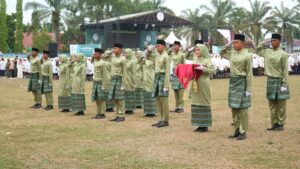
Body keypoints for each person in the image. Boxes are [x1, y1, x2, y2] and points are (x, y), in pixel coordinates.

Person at [220, 34, 253, 140]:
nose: (234, 44)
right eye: (233, 42)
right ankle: (237, 130)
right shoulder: (232, 53)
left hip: (242, 81)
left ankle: (243, 131)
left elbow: (249, 73)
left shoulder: (247, 55)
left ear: (243, 43)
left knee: (242, 109)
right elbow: (221, 52)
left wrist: (248, 89)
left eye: (236, 42)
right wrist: (228, 44)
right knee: (234, 107)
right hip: (233, 82)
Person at [255, 34, 290, 131]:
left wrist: (284, 84)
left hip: (279, 81)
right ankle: (274, 123)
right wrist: (263, 43)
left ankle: (281, 124)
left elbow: (285, 71)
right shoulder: (267, 52)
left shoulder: (283, 54)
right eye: (271, 40)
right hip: (270, 80)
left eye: (274, 40)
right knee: (272, 104)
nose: (272, 42)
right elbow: (257, 50)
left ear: (279, 42)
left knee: (281, 105)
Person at [190, 44, 215, 132]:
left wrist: (203, 68)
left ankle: (205, 125)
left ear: (203, 51)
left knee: (203, 103)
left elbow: (213, 70)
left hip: (203, 84)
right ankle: (199, 124)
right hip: (195, 83)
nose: (196, 51)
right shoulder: (195, 59)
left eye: (198, 50)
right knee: (196, 103)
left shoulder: (207, 60)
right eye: (196, 49)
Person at [148, 40, 170, 128]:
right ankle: (161, 119)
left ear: (164, 46)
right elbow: (148, 57)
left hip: (163, 78)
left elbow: (168, 71)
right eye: (156, 46)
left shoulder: (166, 56)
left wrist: (166, 85)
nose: (157, 48)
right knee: (158, 100)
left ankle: (166, 120)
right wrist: (149, 50)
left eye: (159, 46)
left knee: (164, 101)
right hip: (156, 78)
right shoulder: (156, 55)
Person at [108, 43, 126, 122]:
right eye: (113, 48)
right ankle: (117, 115)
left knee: (120, 99)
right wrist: (110, 52)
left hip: (119, 79)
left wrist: (123, 84)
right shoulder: (112, 57)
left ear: (120, 49)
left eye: (115, 48)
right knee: (115, 99)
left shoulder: (123, 59)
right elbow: (104, 56)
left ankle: (121, 115)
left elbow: (125, 72)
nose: (114, 50)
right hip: (113, 79)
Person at [91, 48, 109, 119]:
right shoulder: (95, 61)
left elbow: (105, 75)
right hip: (95, 82)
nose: (94, 55)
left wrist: (104, 85)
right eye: (94, 53)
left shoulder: (103, 63)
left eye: (96, 53)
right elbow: (92, 60)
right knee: (96, 99)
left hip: (101, 82)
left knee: (102, 99)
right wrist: (93, 56)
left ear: (100, 54)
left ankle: (102, 114)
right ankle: (98, 113)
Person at [170, 41, 185, 113]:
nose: (174, 47)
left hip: (180, 73)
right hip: (174, 74)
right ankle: (176, 107)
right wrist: (170, 49)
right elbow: (166, 53)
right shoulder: (172, 53)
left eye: (176, 46)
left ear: (179, 46)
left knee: (180, 91)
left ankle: (181, 107)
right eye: (174, 46)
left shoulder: (182, 54)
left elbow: (184, 64)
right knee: (175, 91)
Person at [142, 48, 157, 116]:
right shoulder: (144, 60)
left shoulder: (154, 61)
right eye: (147, 53)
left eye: (149, 53)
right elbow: (140, 60)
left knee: (151, 93)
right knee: (146, 94)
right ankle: (147, 111)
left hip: (152, 79)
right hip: (145, 79)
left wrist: (151, 51)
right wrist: (147, 52)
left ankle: (152, 111)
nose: (148, 54)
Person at [123, 48, 136, 115]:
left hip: (130, 79)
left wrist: (134, 82)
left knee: (130, 94)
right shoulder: (124, 61)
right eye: (124, 53)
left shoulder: (133, 62)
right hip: (124, 79)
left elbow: (134, 72)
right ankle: (126, 108)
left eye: (126, 53)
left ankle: (130, 109)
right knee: (125, 94)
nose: (124, 54)